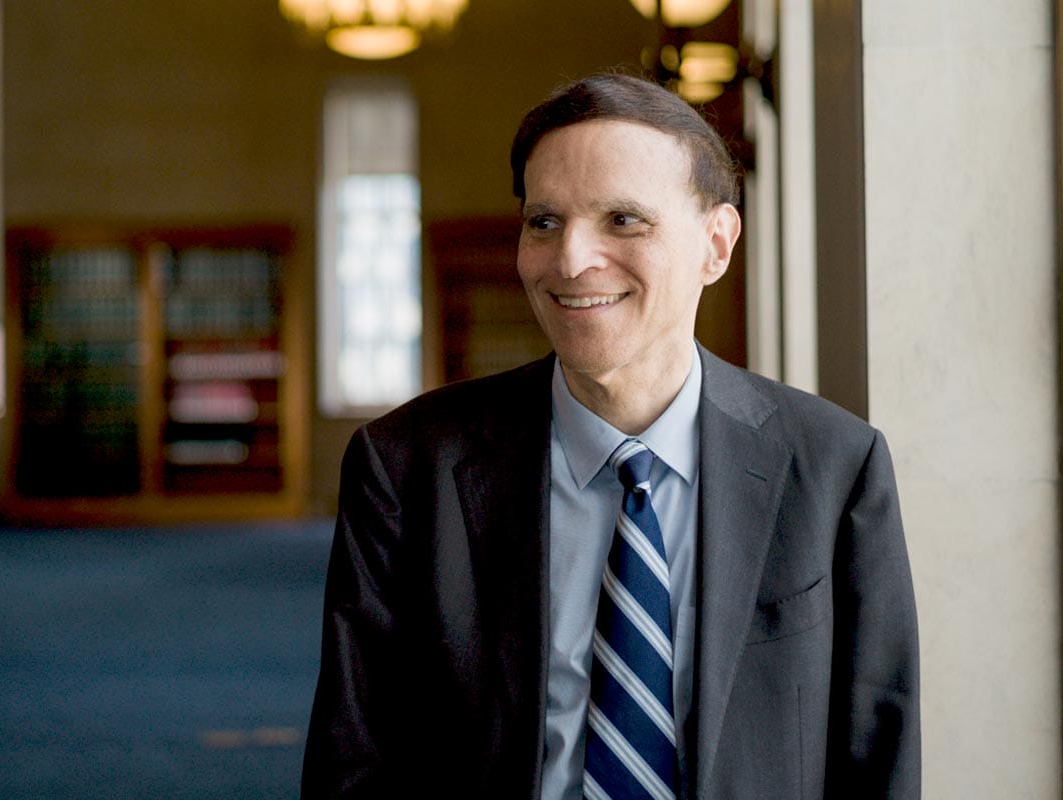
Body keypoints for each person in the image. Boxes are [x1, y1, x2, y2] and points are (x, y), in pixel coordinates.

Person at [301, 72, 920, 799]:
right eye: (545, 222)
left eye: (623, 220)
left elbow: (877, 750)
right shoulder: (407, 466)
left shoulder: (834, 464)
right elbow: (356, 758)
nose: (570, 260)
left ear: (716, 244)